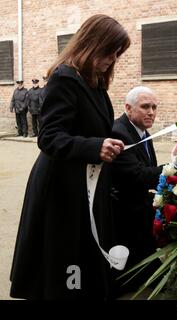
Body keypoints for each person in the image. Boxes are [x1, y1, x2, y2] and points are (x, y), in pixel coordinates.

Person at [9, 14, 130, 300]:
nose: (112, 59)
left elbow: (93, 126)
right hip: (62, 188)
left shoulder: (95, 81)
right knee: (64, 258)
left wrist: (111, 142)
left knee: (86, 254)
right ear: (92, 43)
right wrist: (94, 147)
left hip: (87, 182)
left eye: (117, 54)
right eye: (109, 51)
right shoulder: (64, 77)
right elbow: (49, 137)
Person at [110, 86, 163, 295]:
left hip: (139, 206)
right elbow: (137, 175)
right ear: (128, 108)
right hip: (123, 210)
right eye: (145, 107)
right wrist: (172, 169)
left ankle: (148, 272)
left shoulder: (140, 131)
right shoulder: (118, 132)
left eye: (154, 107)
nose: (151, 112)